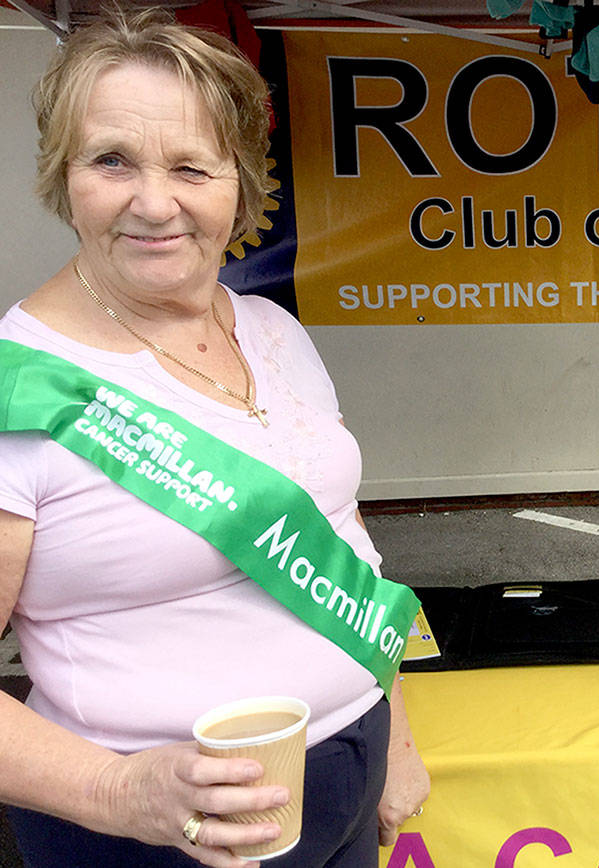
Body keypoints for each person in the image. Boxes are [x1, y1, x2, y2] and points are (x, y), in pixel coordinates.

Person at [0, 10, 428, 867]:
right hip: (155, 832)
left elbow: (340, 540)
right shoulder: (20, 386)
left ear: (240, 182)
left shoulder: (272, 328)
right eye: (112, 159)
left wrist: (397, 734)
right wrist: (117, 795)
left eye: (192, 165)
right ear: (64, 174)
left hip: (351, 771)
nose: (154, 202)